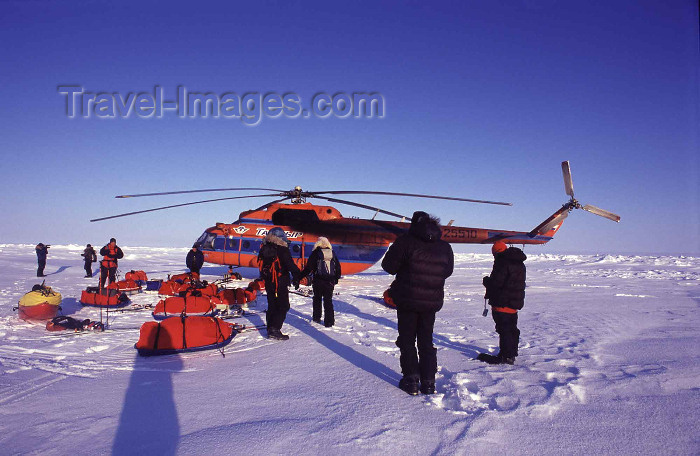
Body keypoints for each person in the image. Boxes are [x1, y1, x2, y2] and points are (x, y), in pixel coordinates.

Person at [381, 211, 454, 395]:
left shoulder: (405, 241)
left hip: (407, 300)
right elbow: (447, 271)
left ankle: (411, 380)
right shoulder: (445, 247)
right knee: (426, 340)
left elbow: (388, 267)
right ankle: (429, 383)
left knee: (407, 340)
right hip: (431, 302)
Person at [479, 241, 527, 365]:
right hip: (514, 303)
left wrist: (486, 281)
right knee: (512, 329)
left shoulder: (502, 262)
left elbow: (496, 283)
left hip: (502, 302)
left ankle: (505, 356)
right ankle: (511, 353)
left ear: (496, 252)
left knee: (504, 329)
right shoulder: (519, 263)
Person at [257, 227, 301, 340]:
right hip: (280, 282)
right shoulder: (282, 249)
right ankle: (275, 329)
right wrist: (298, 275)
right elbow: (289, 264)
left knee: (272, 305)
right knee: (283, 306)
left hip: (269, 282)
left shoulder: (264, 248)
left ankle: (270, 327)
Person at [298, 237, 341, 327]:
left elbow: (308, 268)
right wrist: (335, 279)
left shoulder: (315, 253)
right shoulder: (332, 253)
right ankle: (329, 322)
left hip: (318, 281)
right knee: (328, 300)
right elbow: (338, 267)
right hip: (330, 281)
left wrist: (299, 277)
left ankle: (317, 317)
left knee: (317, 298)